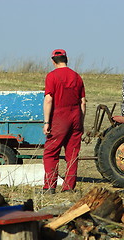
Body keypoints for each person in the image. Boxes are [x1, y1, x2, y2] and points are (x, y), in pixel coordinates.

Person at [41, 49, 86, 194]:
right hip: (76, 117)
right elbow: (83, 102)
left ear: (53, 61)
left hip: (60, 116)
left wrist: (46, 122)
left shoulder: (52, 76)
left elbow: (48, 99)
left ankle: (49, 186)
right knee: (72, 154)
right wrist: (81, 122)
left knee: (50, 152)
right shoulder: (77, 76)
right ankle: (68, 188)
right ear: (67, 59)